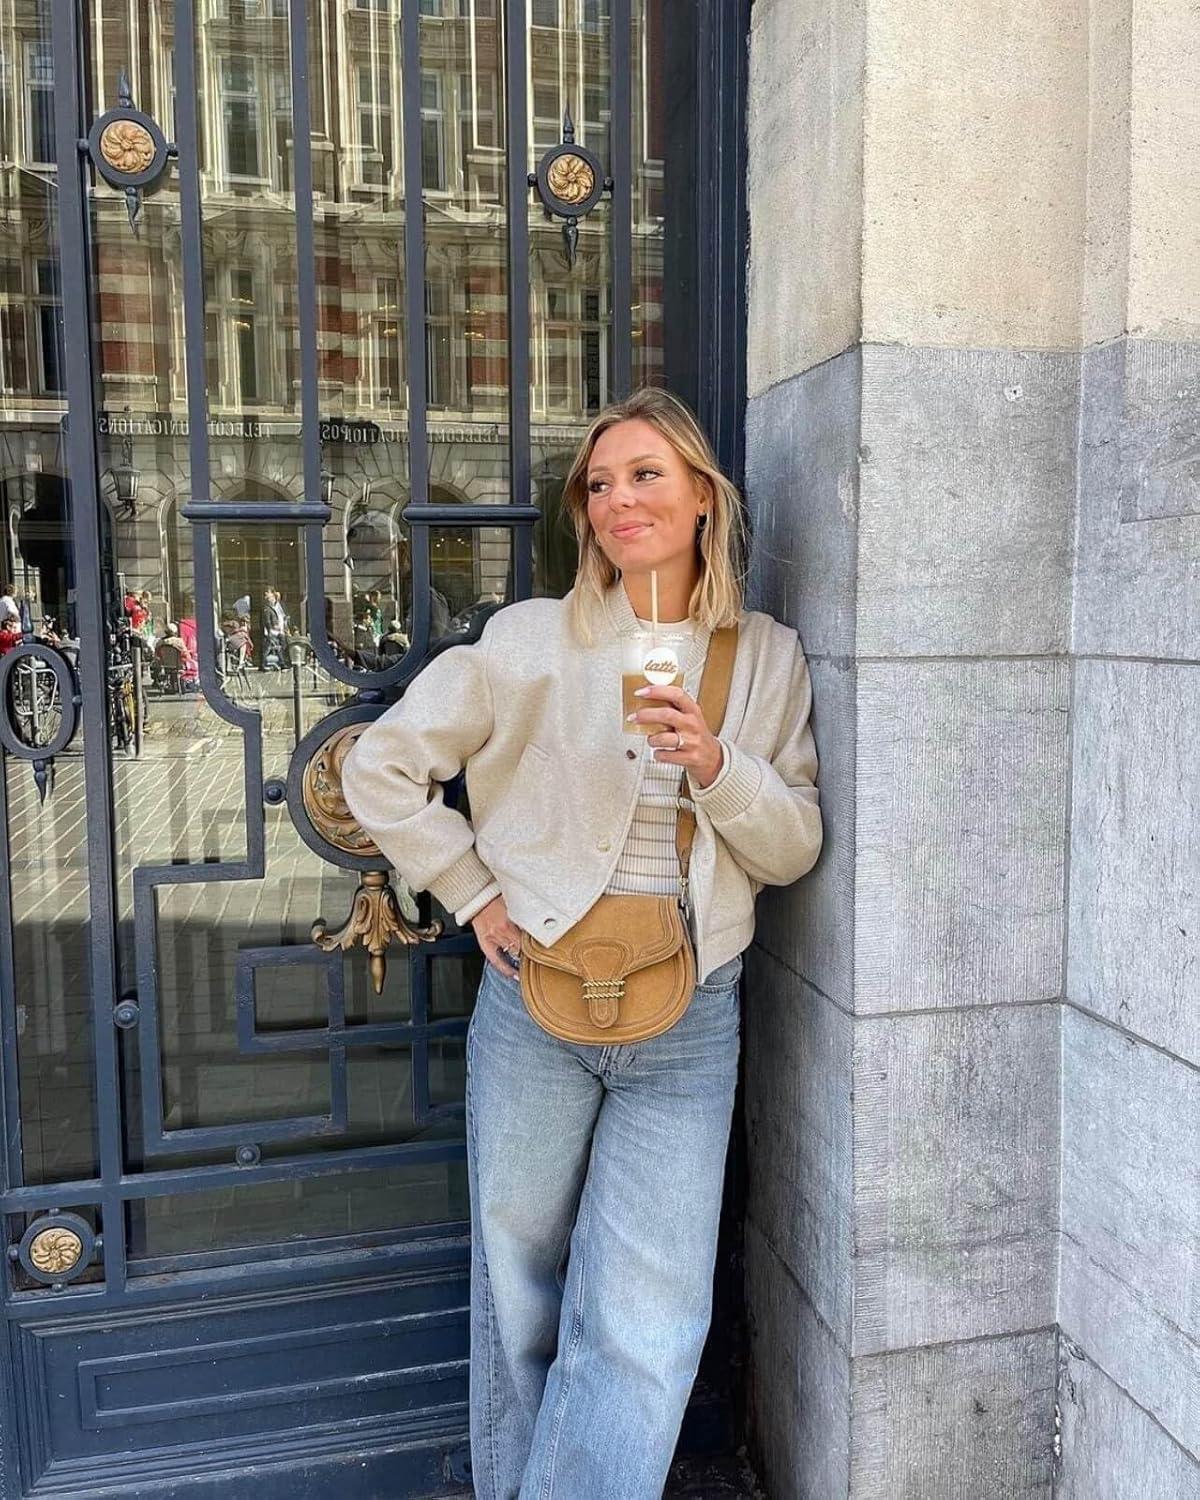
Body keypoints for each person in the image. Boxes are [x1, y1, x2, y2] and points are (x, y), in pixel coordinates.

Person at [340, 387, 822, 1499]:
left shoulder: (766, 658)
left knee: (650, 1315)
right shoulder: (529, 640)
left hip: (689, 1009)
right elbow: (380, 768)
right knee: (519, 1281)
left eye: (646, 474)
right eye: (598, 484)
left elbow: (795, 846)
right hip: (536, 998)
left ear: (703, 497)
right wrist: (472, 891)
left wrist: (716, 766)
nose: (617, 500)